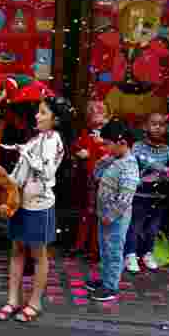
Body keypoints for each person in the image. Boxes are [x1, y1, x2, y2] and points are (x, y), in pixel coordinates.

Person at [0, 95, 65, 323]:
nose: (37, 115)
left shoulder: (54, 140)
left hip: (39, 205)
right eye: (38, 111)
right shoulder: (36, 139)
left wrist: (26, 154)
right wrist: (6, 182)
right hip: (20, 202)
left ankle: (35, 301)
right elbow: (20, 172)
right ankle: (13, 299)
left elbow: (47, 172)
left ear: (55, 118)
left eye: (43, 112)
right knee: (16, 250)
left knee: (38, 254)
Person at [85, 118, 140, 302]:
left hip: (116, 219)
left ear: (122, 143)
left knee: (114, 251)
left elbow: (126, 198)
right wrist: (104, 160)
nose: (105, 148)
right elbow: (96, 175)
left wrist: (111, 215)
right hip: (105, 215)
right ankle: (105, 279)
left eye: (108, 144)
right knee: (105, 249)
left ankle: (111, 287)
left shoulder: (129, 166)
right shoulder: (114, 160)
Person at [125, 112, 169, 273]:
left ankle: (147, 252)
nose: (157, 127)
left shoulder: (167, 150)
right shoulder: (137, 147)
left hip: (159, 195)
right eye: (153, 124)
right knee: (135, 226)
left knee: (153, 228)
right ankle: (130, 254)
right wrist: (158, 169)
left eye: (161, 124)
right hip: (140, 194)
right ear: (145, 126)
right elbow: (138, 162)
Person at [70, 99, 111, 261]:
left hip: (104, 179)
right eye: (93, 111)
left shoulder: (110, 135)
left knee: (99, 214)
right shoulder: (85, 133)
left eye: (101, 111)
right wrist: (79, 151)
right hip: (88, 179)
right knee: (86, 212)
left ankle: (95, 248)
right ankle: (81, 245)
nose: (97, 114)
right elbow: (77, 147)